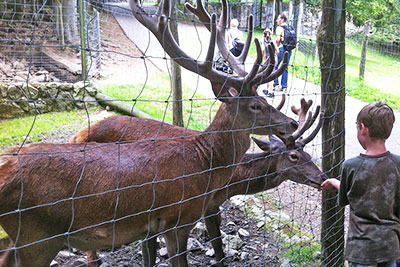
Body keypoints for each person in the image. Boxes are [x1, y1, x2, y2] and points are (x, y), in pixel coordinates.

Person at [321, 101, 400, 267]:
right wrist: (337, 182)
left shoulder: (351, 166)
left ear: (363, 129)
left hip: (361, 250)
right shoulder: (397, 164)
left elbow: (348, 198)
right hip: (391, 247)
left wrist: (336, 183)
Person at [272, 13, 292, 92]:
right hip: (289, 49)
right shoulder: (290, 27)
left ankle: (276, 84)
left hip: (281, 48)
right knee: (285, 67)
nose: (277, 20)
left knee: (275, 65)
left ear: (282, 19)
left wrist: (275, 47)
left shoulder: (279, 28)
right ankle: (284, 86)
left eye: (278, 19)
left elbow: (277, 40)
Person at [262, 28, 279, 97]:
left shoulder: (263, 41)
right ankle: (268, 89)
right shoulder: (272, 40)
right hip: (274, 59)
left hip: (269, 60)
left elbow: (263, 50)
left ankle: (271, 91)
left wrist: (264, 58)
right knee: (269, 74)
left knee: (269, 75)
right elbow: (277, 51)